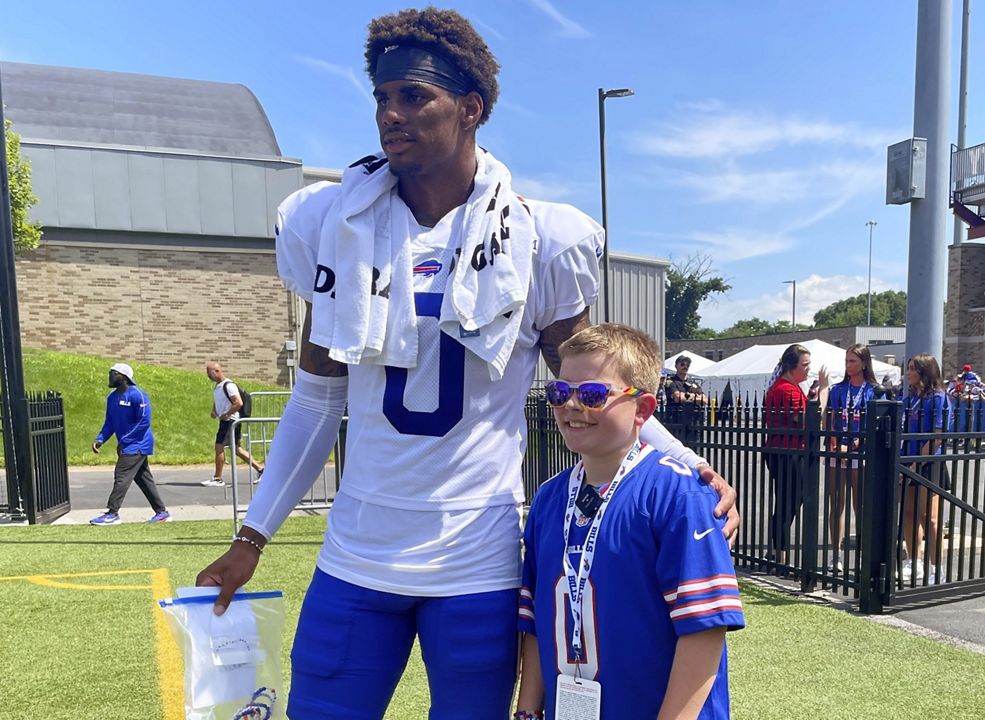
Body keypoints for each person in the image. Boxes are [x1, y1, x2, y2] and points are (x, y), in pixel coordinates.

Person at [194, 9, 737, 717]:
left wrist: (686, 463)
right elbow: (319, 400)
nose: (391, 113)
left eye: (414, 96)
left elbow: (592, 385)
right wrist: (251, 535)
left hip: (476, 557)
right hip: (358, 551)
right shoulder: (332, 223)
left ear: (471, 108)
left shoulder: (540, 238)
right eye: (383, 97)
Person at [514, 324, 744, 720]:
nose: (571, 405)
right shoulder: (549, 498)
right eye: (559, 392)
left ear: (643, 409)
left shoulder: (679, 495)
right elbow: (536, 622)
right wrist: (527, 712)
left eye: (592, 394)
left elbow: (704, 632)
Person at [763, 343, 828, 571]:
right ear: (792, 366)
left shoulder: (785, 386)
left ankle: (775, 551)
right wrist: (823, 393)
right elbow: (805, 420)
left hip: (783, 451)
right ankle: (778, 554)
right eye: (805, 365)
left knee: (786, 501)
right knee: (788, 502)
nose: (808, 369)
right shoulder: (786, 389)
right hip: (788, 453)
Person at [89, 363, 169, 525]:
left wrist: (126, 440)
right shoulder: (112, 398)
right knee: (143, 479)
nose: (110, 376)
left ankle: (112, 513)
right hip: (127, 445)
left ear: (124, 377)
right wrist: (100, 439)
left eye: (113, 373)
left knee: (121, 476)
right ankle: (162, 513)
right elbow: (110, 422)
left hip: (138, 444)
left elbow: (144, 421)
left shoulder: (137, 395)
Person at [824, 344, 876, 573]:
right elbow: (830, 420)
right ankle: (836, 555)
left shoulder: (873, 390)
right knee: (836, 504)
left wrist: (855, 443)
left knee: (861, 505)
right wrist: (837, 443)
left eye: (853, 361)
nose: (848, 365)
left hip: (861, 453)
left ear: (864, 363)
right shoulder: (838, 390)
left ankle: (863, 556)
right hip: (837, 452)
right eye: (846, 361)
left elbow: (874, 425)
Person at [901, 353, 948, 583]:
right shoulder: (909, 398)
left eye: (912, 368)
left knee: (930, 518)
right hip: (908, 461)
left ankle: (936, 566)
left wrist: (917, 461)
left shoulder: (938, 397)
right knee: (909, 514)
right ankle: (914, 561)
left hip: (929, 463)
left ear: (924, 372)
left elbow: (938, 437)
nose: (908, 372)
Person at [202, 361, 265, 488]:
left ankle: (218, 478)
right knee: (236, 449)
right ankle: (261, 470)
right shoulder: (218, 386)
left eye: (209, 373)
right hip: (225, 420)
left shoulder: (228, 385)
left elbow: (238, 403)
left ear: (217, 371)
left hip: (230, 421)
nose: (208, 375)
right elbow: (219, 400)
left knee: (219, 447)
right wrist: (215, 411)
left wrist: (226, 414)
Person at [663, 354, 708, 444]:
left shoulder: (693, 383)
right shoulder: (671, 382)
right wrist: (695, 396)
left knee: (695, 446)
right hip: (677, 420)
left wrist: (687, 396)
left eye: (687, 365)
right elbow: (678, 397)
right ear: (676, 366)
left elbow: (705, 400)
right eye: (682, 364)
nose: (685, 366)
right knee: (678, 447)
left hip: (693, 420)